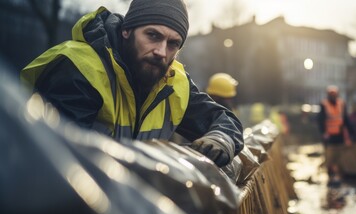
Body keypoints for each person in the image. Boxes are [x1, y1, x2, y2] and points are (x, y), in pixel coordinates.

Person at [20, 0, 243, 168]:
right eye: (153, 36)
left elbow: (225, 120)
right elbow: (66, 166)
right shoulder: (78, 69)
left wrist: (220, 139)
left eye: (173, 44)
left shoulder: (175, 83)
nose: (161, 52)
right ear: (127, 30)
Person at [317, 85, 354, 182]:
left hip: (339, 135)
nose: (333, 96)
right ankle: (330, 175)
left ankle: (339, 175)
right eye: (331, 94)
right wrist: (323, 133)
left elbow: (345, 119)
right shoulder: (324, 104)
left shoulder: (341, 103)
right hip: (329, 136)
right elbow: (320, 120)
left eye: (334, 94)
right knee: (330, 157)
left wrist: (351, 133)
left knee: (340, 156)